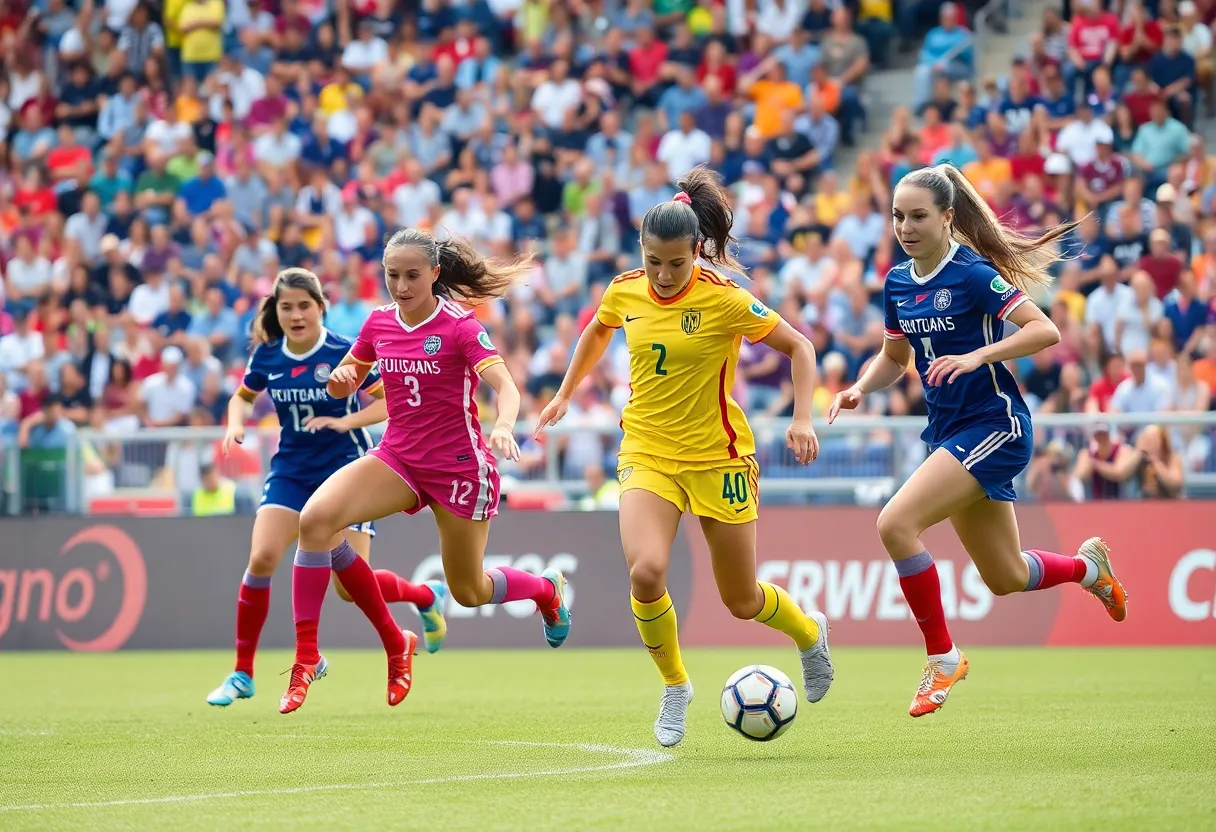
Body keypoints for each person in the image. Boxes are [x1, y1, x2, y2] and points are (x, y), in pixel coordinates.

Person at [535, 167, 833, 749]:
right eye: (654, 262)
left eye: (677, 262)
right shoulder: (623, 289)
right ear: (641, 253)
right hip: (647, 450)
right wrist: (567, 391)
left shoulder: (725, 299)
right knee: (645, 571)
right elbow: (598, 330)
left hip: (719, 458)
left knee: (742, 599)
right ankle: (675, 684)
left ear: (698, 250)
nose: (665, 275)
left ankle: (808, 631)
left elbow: (800, 345)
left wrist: (801, 418)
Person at [828, 163, 1128, 719]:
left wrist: (977, 356)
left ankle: (943, 658)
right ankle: (1090, 570)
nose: (906, 226)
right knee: (1006, 576)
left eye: (918, 215)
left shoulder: (972, 275)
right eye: (898, 215)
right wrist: (859, 388)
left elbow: (1045, 330)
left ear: (947, 217)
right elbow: (896, 359)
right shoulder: (898, 282)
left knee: (894, 524)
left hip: (996, 426)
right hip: (949, 432)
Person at [280, 230, 572, 715]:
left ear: (435, 274)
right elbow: (347, 384)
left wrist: (502, 427)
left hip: (458, 468)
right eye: (393, 275)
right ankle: (306, 658)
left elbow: (506, 385)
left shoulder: (460, 327)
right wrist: (339, 382)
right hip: (398, 458)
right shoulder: (378, 323)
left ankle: (546, 590)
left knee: (470, 589)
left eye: (412, 275)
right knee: (314, 521)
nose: (401, 285)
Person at [206, 268, 448, 708]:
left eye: (304, 306)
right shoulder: (269, 355)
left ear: (321, 307)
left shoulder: (342, 351)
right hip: (291, 472)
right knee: (261, 557)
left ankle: (424, 595)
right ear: (276, 313)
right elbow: (242, 396)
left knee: (345, 585)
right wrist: (235, 422)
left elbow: (387, 403)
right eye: (286, 307)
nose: (296, 314)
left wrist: (344, 420)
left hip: (344, 470)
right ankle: (243, 673)